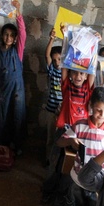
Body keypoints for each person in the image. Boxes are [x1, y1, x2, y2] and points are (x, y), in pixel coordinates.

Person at [0, 0, 25, 152]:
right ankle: (0, 145)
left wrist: (18, 12)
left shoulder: (18, 51)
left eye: (11, 36)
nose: (8, 38)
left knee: (17, 117)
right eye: (6, 35)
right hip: (2, 90)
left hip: (17, 91)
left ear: (15, 39)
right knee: (1, 118)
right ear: (1, 36)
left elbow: (23, 32)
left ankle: (17, 146)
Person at [41, 29, 63, 165]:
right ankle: (48, 159)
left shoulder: (69, 74)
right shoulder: (53, 71)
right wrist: (51, 39)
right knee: (50, 137)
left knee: (60, 138)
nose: (57, 62)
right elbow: (47, 55)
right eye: (55, 60)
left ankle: (58, 162)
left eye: (60, 59)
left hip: (63, 112)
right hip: (51, 110)